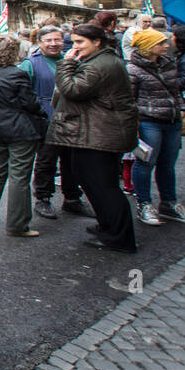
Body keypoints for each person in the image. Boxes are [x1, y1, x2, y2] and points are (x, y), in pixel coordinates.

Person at [47, 23, 139, 253]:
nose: (74, 46)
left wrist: (66, 63)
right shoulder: (99, 62)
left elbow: (72, 89)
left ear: (97, 42)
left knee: (104, 186)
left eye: (80, 42)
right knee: (93, 182)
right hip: (94, 131)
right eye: (74, 41)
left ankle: (120, 237)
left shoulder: (101, 65)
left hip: (99, 134)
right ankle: (108, 226)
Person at [0, 35, 48, 237]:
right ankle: (17, 224)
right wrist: (42, 113)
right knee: (19, 177)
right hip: (19, 130)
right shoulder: (16, 74)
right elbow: (31, 103)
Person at [18, 26, 90, 220]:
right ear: (39, 42)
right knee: (46, 161)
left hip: (71, 118)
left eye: (57, 40)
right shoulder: (30, 64)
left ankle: (72, 199)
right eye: (48, 40)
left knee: (72, 162)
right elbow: (20, 92)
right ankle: (43, 199)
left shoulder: (71, 59)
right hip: (45, 120)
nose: (53, 44)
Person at [126, 29, 185, 226]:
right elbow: (129, 100)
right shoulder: (133, 69)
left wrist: (182, 108)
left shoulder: (167, 64)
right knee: (145, 163)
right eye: (161, 43)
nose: (167, 45)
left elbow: (175, 91)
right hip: (148, 121)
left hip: (172, 119)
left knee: (167, 164)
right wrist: (134, 125)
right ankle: (144, 204)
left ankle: (168, 202)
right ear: (148, 47)